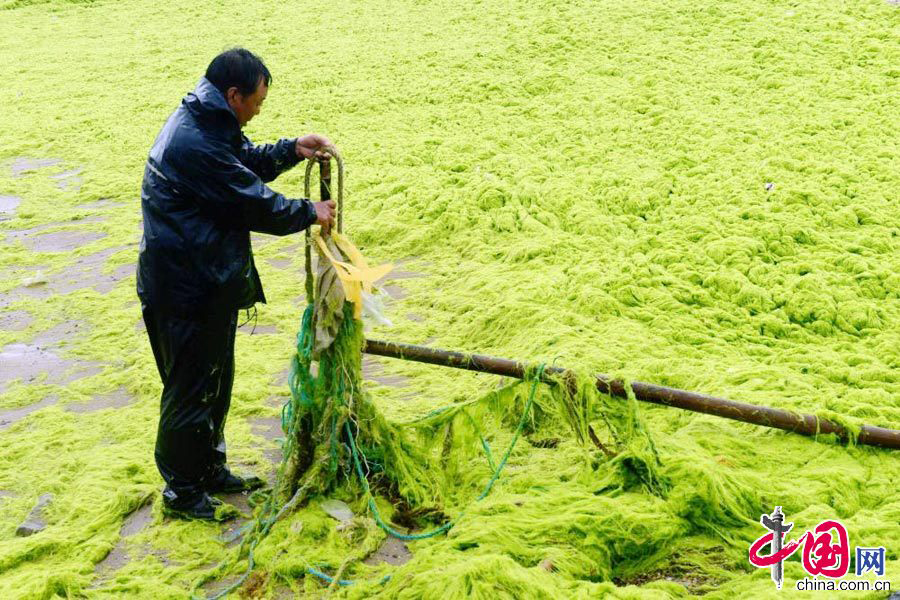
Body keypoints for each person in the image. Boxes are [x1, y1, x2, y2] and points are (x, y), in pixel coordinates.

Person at [136, 47, 336, 520]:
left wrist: (291, 150)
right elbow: (252, 203)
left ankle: (208, 469)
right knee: (190, 389)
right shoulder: (196, 142)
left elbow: (243, 164)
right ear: (234, 95)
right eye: (258, 101)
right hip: (184, 288)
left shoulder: (209, 121)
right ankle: (182, 491)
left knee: (215, 381)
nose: (260, 110)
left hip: (206, 281)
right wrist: (311, 212)